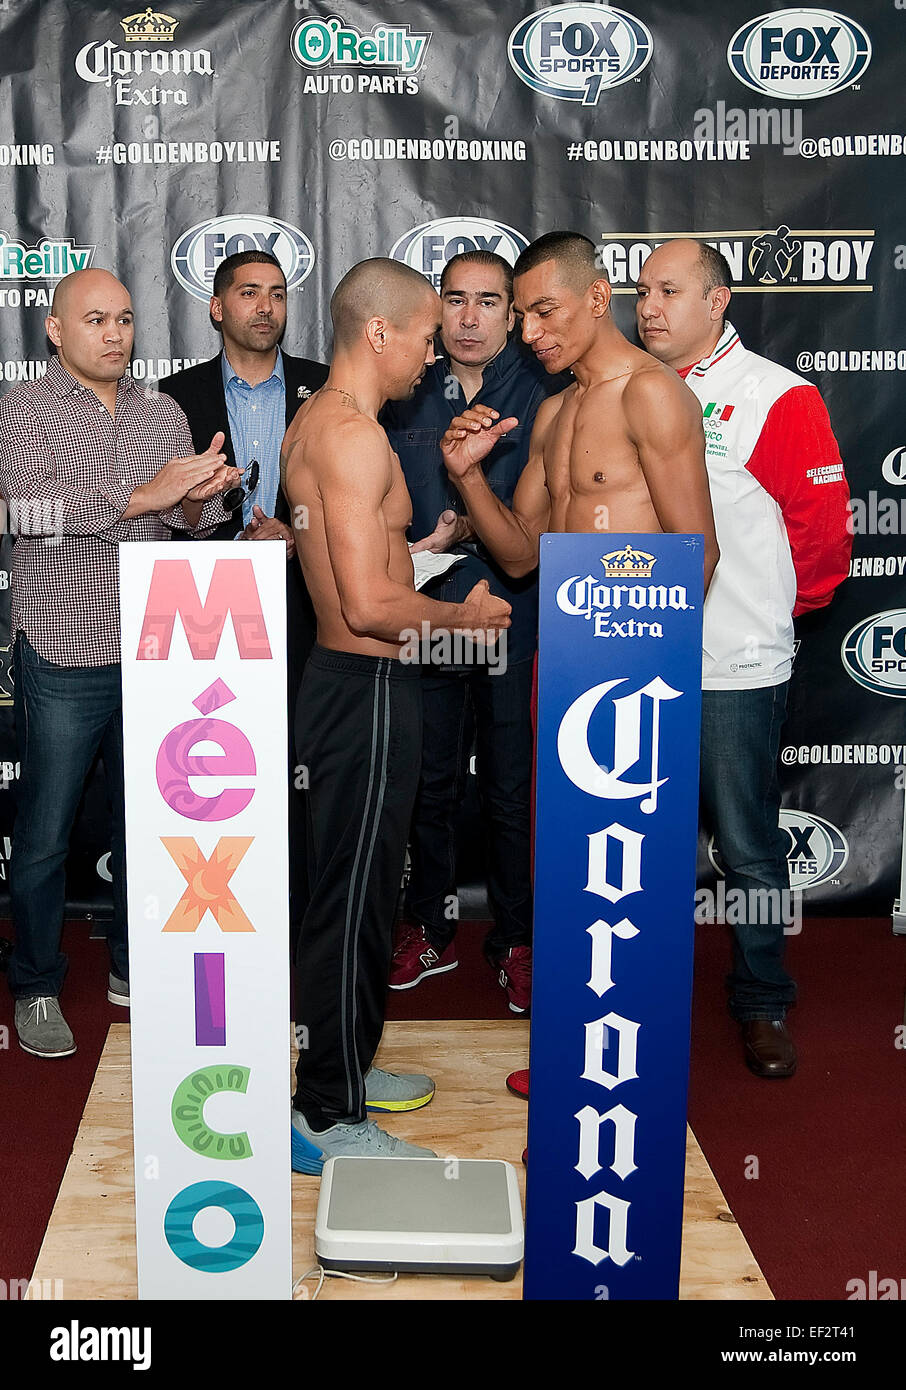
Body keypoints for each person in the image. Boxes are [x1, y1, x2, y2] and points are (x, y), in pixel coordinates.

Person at [438, 230, 719, 1104]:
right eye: (520, 315)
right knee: (570, 870)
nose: (527, 331)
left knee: (632, 874)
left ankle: (632, 1076)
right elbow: (521, 558)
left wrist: (618, 639)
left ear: (599, 298)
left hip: (633, 676)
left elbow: (695, 554)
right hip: (559, 668)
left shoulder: (655, 397)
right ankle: (578, 1052)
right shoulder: (556, 414)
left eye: (542, 310)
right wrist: (470, 479)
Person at [281, 257, 511, 1171]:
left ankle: (340, 1058)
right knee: (354, 899)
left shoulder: (321, 423)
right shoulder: (351, 437)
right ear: (377, 333)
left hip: (351, 687)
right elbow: (371, 607)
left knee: (357, 894)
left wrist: (432, 545)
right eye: (422, 333)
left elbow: (362, 566)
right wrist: (468, 617)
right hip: (366, 686)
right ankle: (328, 1117)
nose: (432, 350)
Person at [0, 268, 239, 1057]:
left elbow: (191, 527)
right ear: (57, 331)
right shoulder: (23, 410)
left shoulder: (162, 411)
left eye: (126, 319)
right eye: (96, 318)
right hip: (65, 650)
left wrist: (206, 492)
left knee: (150, 827)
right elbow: (31, 511)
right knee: (43, 835)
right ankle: (35, 982)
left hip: (156, 652)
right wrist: (146, 494)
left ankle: (135, 966)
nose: (115, 332)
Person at [636, 237, 851, 1077]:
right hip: (638, 659)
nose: (648, 306)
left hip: (733, 665)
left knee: (749, 845)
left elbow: (824, 541)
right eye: (642, 290)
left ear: (717, 301)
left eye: (670, 291)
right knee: (639, 839)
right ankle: (639, 995)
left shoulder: (775, 395)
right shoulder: (630, 392)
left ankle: (762, 1002)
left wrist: (759, 616)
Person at [383, 250, 569, 1013]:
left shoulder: (549, 387)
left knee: (512, 786)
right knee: (425, 781)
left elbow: (540, 520)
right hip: (422, 615)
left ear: (513, 312)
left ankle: (517, 938)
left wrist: (474, 529)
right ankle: (427, 925)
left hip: (515, 613)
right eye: (454, 300)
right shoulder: (406, 383)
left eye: (488, 301)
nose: (467, 318)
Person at [158, 251, 328, 955]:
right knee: (220, 772)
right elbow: (163, 514)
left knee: (303, 766)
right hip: (208, 618)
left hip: (308, 607)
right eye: (249, 293)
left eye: (278, 294)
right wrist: (228, 522)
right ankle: (226, 917)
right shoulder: (173, 396)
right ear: (216, 307)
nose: (266, 307)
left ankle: (300, 926)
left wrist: (301, 529)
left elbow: (354, 501)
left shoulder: (326, 389)